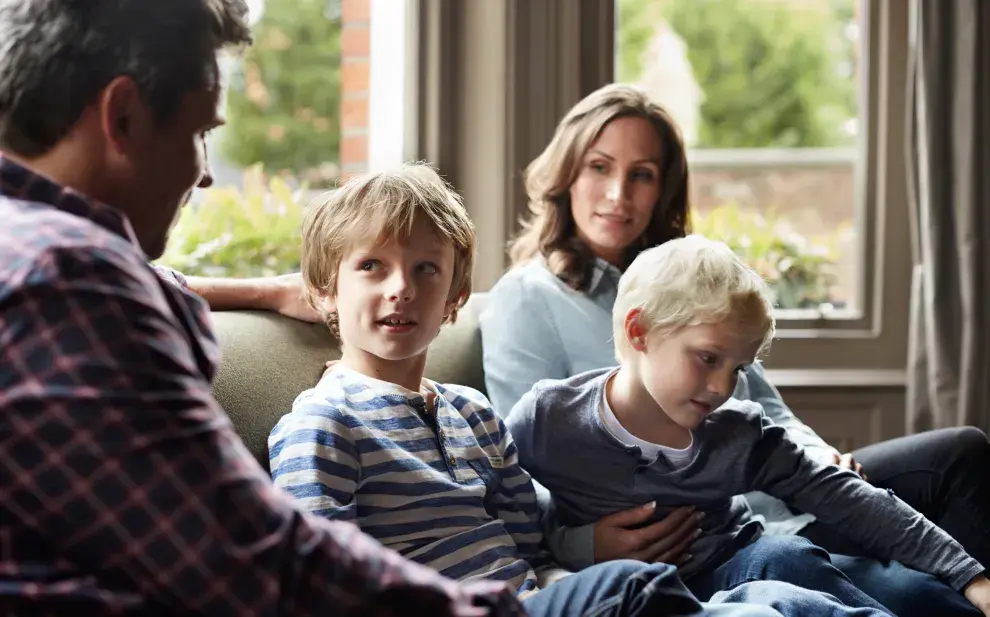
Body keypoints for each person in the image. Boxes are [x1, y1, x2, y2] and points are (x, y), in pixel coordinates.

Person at [0, 2, 528, 615]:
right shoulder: (69, 286)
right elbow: (247, 558)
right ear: (122, 117)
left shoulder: (31, 251)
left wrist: (260, 290)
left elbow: (154, 284)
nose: (203, 176)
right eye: (201, 133)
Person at [475, 82, 990, 617]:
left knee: (957, 456)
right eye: (600, 167)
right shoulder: (529, 306)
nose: (619, 194)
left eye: (642, 175)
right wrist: (583, 545)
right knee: (843, 579)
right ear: (636, 333)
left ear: (664, 189)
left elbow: (763, 405)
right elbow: (520, 478)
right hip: (691, 545)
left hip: (770, 502)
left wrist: (814, 454)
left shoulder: (695, 282)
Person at [266, 162, 795, 617]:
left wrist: (577, 559)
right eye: (371, 267)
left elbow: (531, 541)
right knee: (631, 584)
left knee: (773, 592)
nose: (401, 288)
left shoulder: (472, 415)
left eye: (426, 269)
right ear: (325, 291)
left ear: (454, 297)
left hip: (534, 598)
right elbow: (317, 585)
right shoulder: (324, 423)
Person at [504, 234, 990, 616]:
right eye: (708, 358)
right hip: (648, 594)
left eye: (738, 368)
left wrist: (970, 576)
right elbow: (504, 513)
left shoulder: (737, 432)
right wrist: (582, 545)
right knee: (790, 563)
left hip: (745, 559)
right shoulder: (548, 419)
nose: (722, 387)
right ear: (639, 332)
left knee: (887, 584)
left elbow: (850, 499)